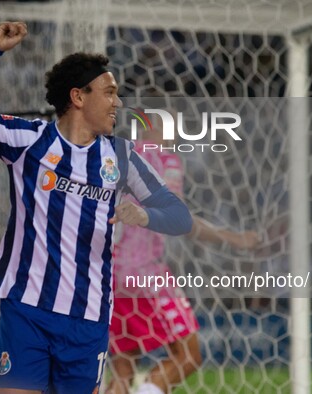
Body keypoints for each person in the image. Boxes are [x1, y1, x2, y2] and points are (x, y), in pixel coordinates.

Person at [0, 21, 193, 394]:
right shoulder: (28, 140)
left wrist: (146, 214)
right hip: (27, 311)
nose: (117, 102)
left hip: (87, 322)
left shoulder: (123, 157)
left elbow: (180, 216)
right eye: (109, 92)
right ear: (78, 97)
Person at [107, 121, 259, 394]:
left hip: (112, 277)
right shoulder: (165, 160)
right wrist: (233, 238)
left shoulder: (119, 157)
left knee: (123, 370)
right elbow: (181, 221)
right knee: (188, 357)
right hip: (145, 274)